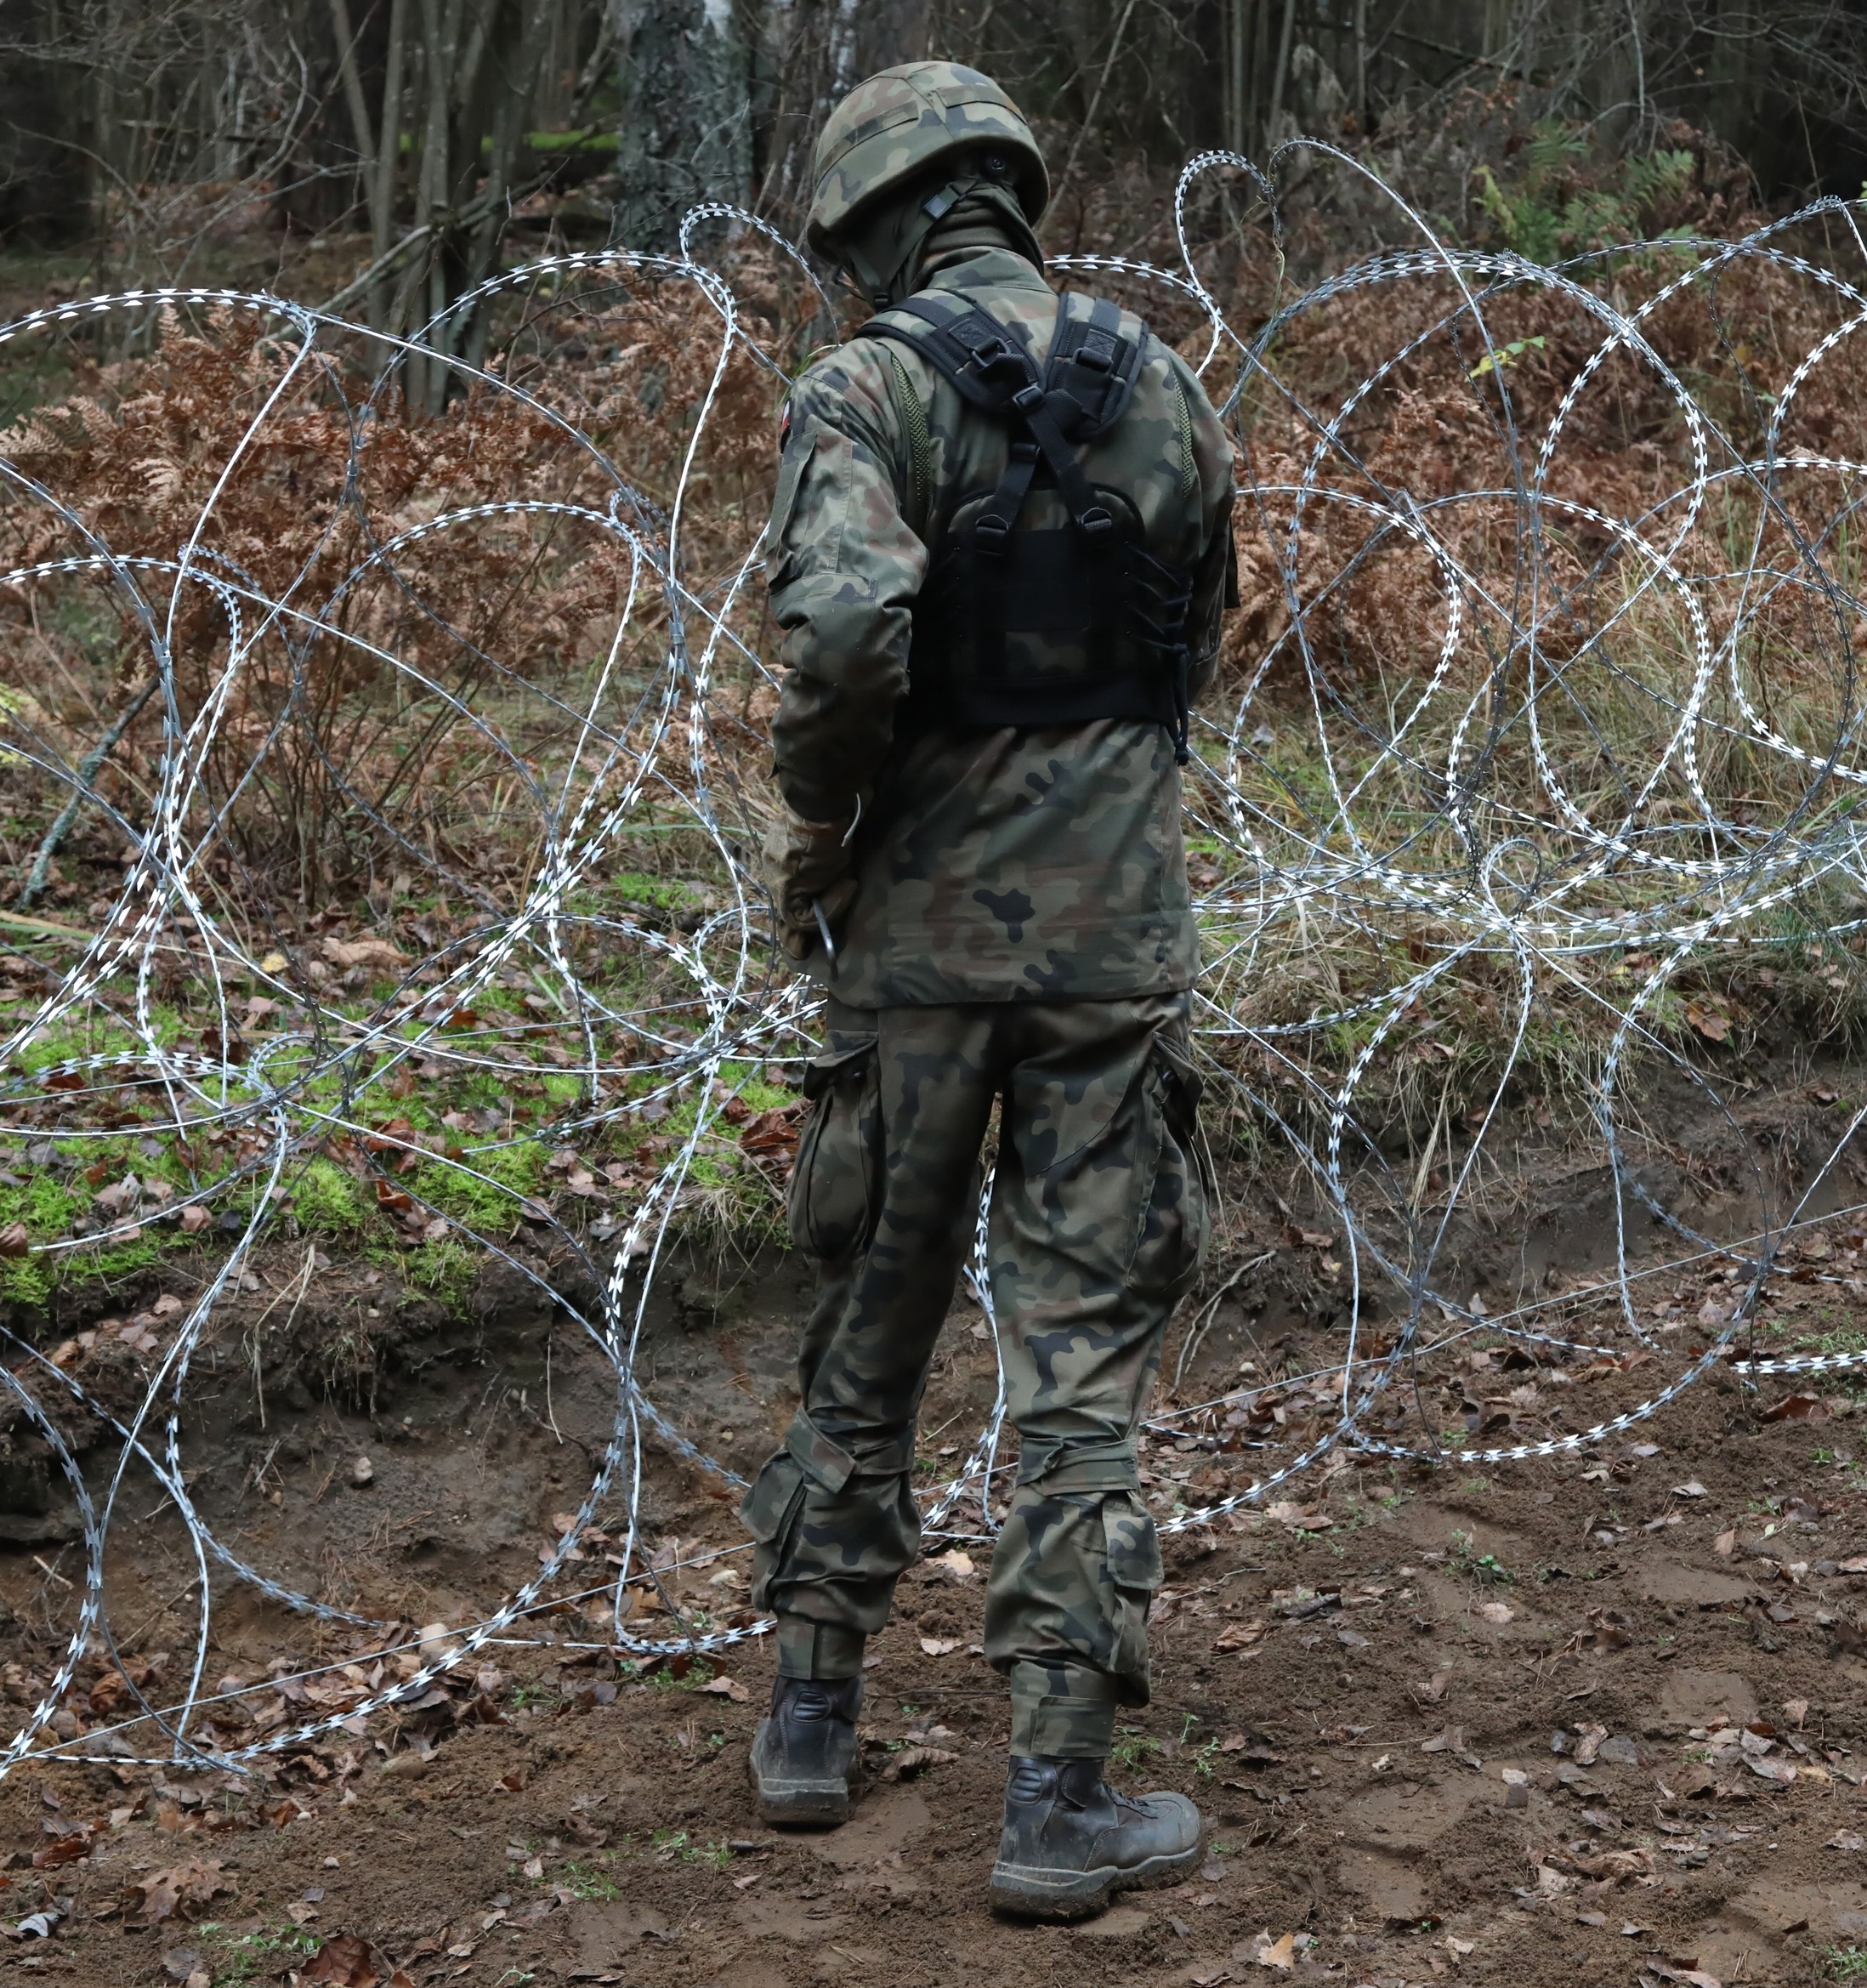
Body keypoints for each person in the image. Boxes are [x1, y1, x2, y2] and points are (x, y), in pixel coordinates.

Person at [741, 60, 1236, 1921]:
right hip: (1109, 943)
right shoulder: (1158, 375)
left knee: (869, 1318)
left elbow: (849, 629)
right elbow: (1199, 618)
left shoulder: (862, 388)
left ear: (870, 224)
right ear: (1007, 194)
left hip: (920, 947)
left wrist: (828, 817)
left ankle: (806, 1715)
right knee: (1077, 1350)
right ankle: (1055, 1792)